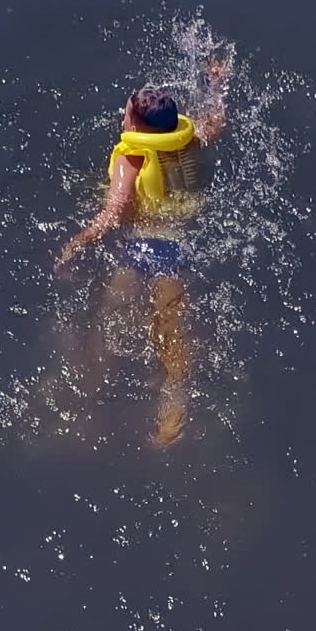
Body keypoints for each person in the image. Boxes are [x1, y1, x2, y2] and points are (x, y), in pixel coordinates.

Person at [56, 62, 229, 445]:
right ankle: (173, 411)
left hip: (142, 245)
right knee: (170, 335)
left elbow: (113, 212)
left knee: (111, 323)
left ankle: (84, 402)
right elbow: (217, 120)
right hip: (181, 244)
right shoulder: (191, 139)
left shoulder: (130, 159)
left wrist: (75, 245)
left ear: (134, 123)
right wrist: (215, 84)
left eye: (127, 111)